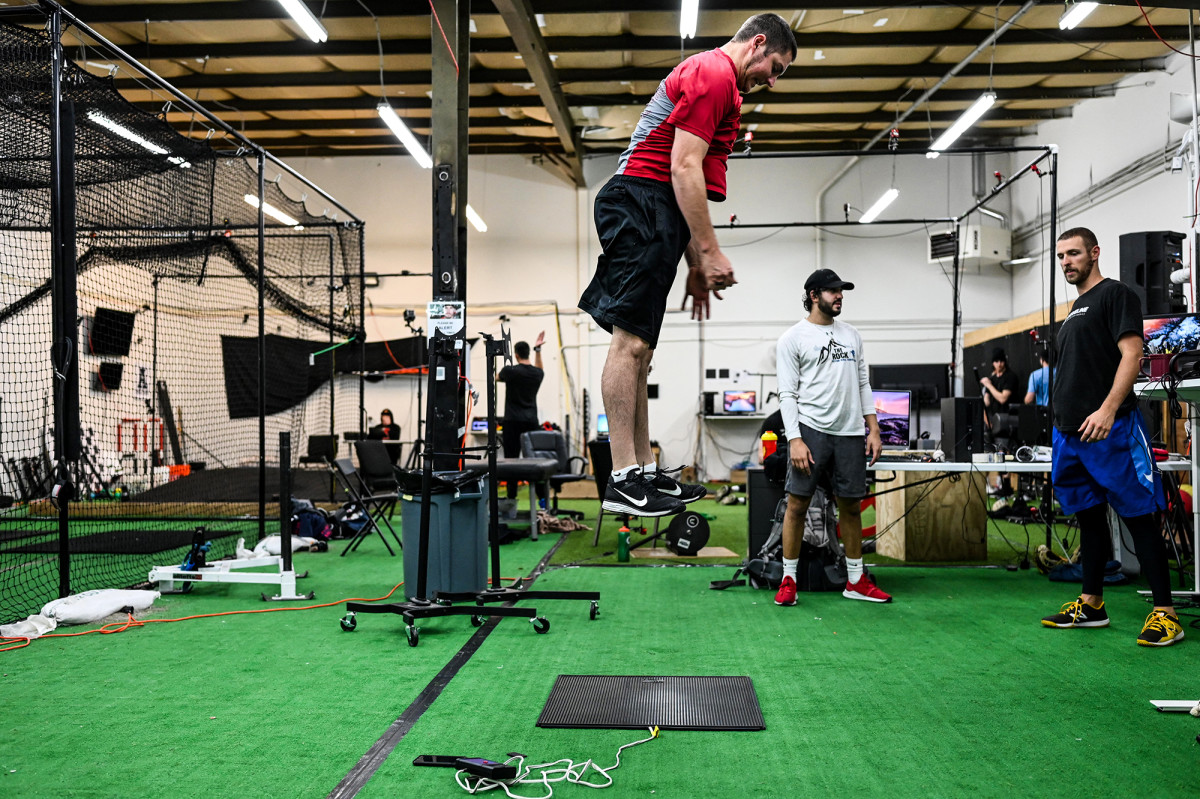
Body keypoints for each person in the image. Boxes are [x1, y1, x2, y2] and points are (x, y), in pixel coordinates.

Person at [579, 13, 797, 517]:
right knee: (628, 343)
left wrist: (697, 263)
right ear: (758, 44)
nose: (773, 79)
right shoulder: (714, 73)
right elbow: (681, 166)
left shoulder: (728, 88)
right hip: (639, 200)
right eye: (777, 67)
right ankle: (622, 478)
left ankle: (641, 471)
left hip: (656, 208)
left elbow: (685, 182)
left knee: (641, 350)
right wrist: (711, 250)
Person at [1042, 226, 1182, 646]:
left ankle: (1165, 612)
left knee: (1139, 515)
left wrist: (1106, 409)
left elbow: (1133, 354)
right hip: (1070, 435)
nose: (1066, 262)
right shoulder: (1076, 309)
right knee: (1087, 517)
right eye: (1061, 256)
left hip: (1111, 429)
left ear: (1094, 253)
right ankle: (1092, 603)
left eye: (1073, 254)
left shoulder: (1116, 295)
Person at [773, 269, 891, 607]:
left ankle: (856, 580)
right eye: (832, 291)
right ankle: (788, 580)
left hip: (850, 432)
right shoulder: (792, 338)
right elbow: (786, 394)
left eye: (841, 291)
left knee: (850, 507)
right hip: (811, 430)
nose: (839, 296)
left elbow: (863, 383)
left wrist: (874, 428)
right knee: (796, 505)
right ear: (813, 295)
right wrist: (795, 439)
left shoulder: (852, 335)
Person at [498, 331, 546, 499]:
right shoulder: (537, 374)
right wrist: (538, 350)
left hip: (512, 422)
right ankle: (541, 501)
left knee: (511, 460)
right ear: (528, 353)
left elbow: (496, 377)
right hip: (531, 422)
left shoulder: (510, 371)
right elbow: (540, 368)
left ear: (516, 355)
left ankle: (511, 498)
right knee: (535, 461)